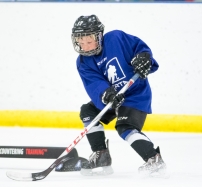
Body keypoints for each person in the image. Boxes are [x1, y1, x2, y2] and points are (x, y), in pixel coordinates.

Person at [71, 14, 166, 176]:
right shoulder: (82, 62)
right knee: (88, 112)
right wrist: (105, 93)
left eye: (89, 41)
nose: (85, 46)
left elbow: (140, 48)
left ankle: (153, 158)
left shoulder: (116, 38)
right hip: (111, 98)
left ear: (99, 36)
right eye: (81, 42)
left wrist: (144, 58)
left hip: (135, 94)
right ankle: (101, 155)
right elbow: (94, 84)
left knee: (125, 127)